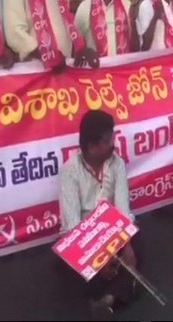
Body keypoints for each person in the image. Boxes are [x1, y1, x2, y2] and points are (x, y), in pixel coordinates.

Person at [59, 110, 140, 320]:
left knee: (136, 249)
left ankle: (106, 301)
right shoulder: (70, 171)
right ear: (92, 146)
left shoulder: (117, 163)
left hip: (113, 233)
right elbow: (73, 228)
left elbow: (123, 211)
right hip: (84, 240)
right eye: (108, 140)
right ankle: (119, 291)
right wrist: (98, 260)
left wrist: (127, 246)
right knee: (65, 265)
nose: (113, 143)